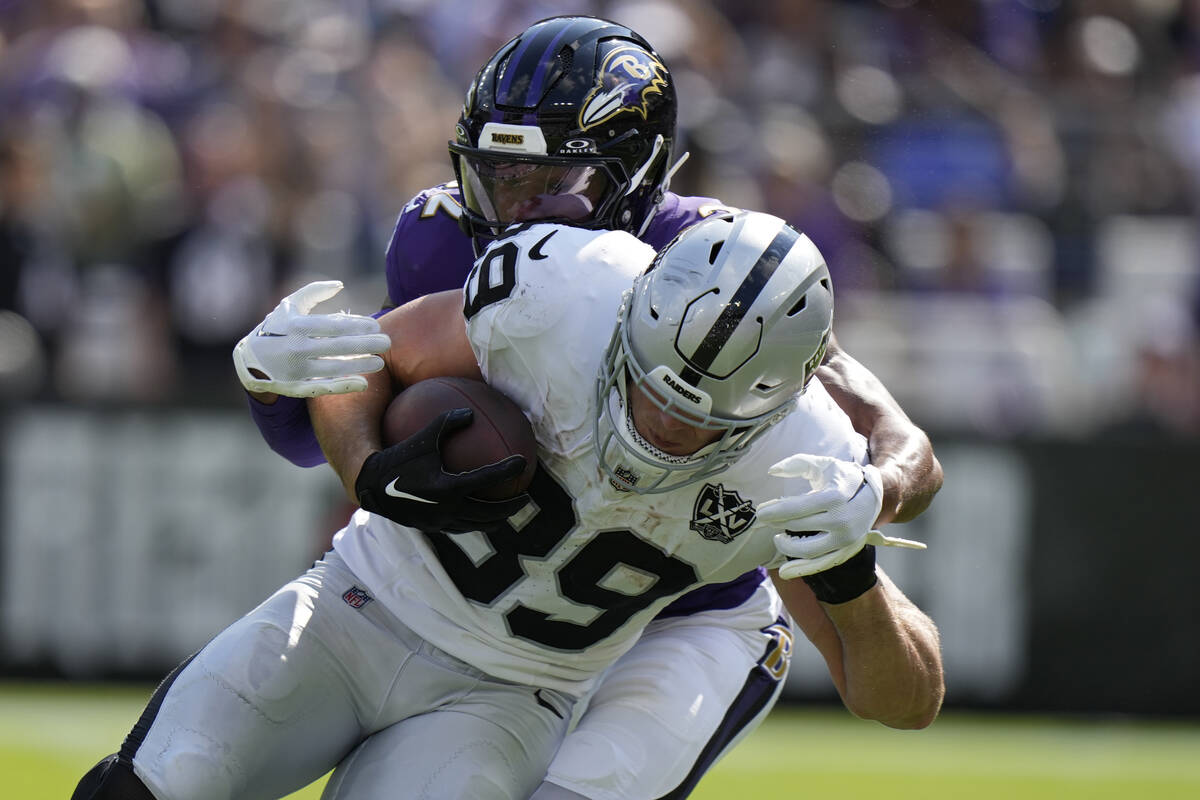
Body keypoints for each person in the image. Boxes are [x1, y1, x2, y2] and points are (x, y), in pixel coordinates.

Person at [224, 16, 944, 800]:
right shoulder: (440, 239)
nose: (516, 211)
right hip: (517, 602)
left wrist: (870, 502)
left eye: (549, 185)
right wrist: (279, 391)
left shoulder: (709, 271)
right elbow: (349, 427)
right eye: (498, 178)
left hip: (685, 603)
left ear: (634, 175)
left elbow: (892, 441)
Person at [74, 212, 944, 800]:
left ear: (779, 401)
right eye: (649, 386)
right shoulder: (565, 289)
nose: (661, 421)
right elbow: (372, 360)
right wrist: (366, 471)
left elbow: (906, 698)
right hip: (354, 609)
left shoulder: (803, 459)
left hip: (508, 697)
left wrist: (849, 573)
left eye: (698, 414)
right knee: (146, 787)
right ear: (634, 310)